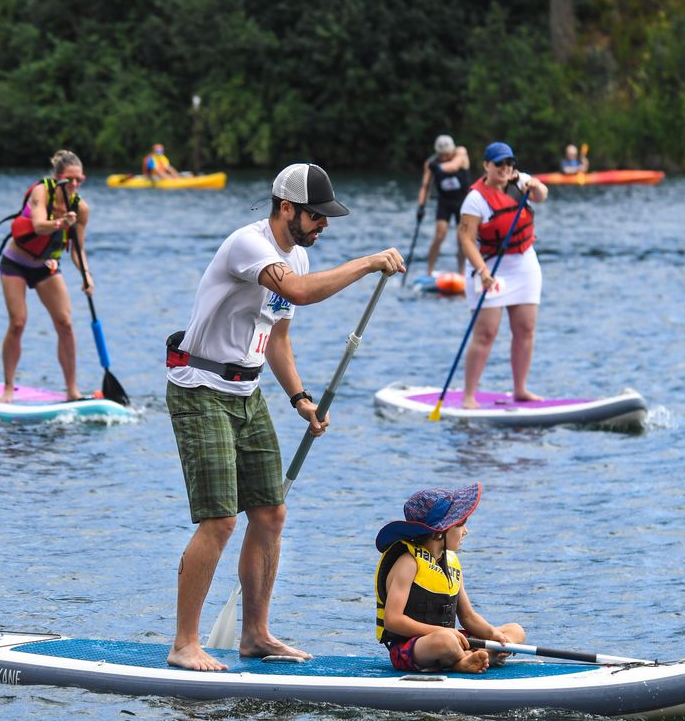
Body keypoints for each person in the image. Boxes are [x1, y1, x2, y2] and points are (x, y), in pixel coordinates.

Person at [166, 163, 405, 672]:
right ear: (287, 208)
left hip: (246, 390)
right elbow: (298, 292)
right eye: (317, 217)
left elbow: (277, 337)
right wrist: (365, 264)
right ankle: (185, 642)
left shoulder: (294, 254)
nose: (323, 226)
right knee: (220, 520)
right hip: (200, 388)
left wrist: (300, 398)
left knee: (271, 514)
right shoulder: (249, 245)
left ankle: (255, 635)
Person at [374, 483, 526, 673]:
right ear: (439, 532)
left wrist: (493, 635)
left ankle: (475, 656)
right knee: (445, 641)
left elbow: (468, 617)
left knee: (515, 630)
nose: (466, 531)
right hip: (414, 648)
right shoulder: (408, 563)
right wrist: (440, 631)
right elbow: (393, 620)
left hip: (453, 639)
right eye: (460, 524)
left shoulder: (451, 563)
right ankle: (465, 661)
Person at [457, 141, 549, 406]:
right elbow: (465, 238)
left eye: (509, 163)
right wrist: (482, 271)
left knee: (526, 328)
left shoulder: (521, 183)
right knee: (486, 332)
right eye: (499, 164)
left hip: (524, 265)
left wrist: (536, 187)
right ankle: (468, 396)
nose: (505, 168)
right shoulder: (475, 199)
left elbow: (542, 196)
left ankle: (520, 389)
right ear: (486, 165)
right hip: (490, 266)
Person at [0, 150, 93, 402]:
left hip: (46, 266)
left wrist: (86, 276)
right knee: (18, 323)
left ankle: (72, 390)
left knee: (66, 324)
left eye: (78, 180)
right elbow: (39, 226)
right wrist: (61, 223)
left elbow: (78, 249)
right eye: (68, 180)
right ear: (57, 178)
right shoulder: (42, 192)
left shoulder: (81, 209)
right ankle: (8, 387)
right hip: (15, 263)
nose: (73, 185)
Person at [416, 134, 470, 276]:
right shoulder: (431, 163)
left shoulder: (460, 152)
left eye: (447, 155)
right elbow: (425, 186)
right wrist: (421, 206)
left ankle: (462, 273)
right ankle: (429, 271)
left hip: (463, 202)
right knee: (440, 235)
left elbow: (454, 166)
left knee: (461, 239)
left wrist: (438, 167)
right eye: (441, 155)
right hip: (445, 202)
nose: (444, 157)